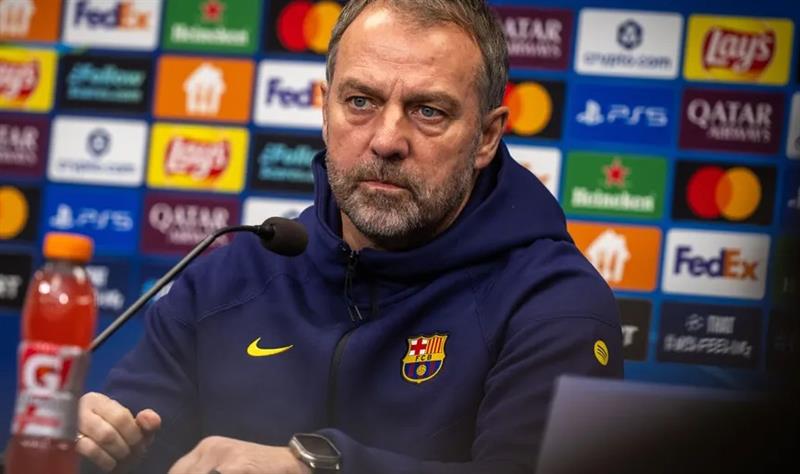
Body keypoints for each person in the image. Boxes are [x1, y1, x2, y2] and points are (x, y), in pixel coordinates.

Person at [77, 0, 623, 472]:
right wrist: (93, 444)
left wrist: (316, 466)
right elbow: (133, 443)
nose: (386, 140)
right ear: (325, 109)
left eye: (428, 111)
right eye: (361, 101)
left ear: (486, 136)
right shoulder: (227, 279)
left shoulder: (554, 305)